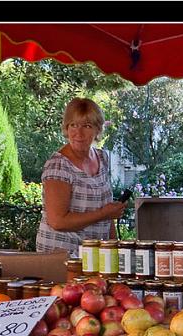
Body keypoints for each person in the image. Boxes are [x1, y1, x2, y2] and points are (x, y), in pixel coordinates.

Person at [36, 97, 126, 256]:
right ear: (66, 128)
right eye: (73, 125)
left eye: (87, 126)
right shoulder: (58, 165)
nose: (78, 132)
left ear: (98, 130)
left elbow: (108, 213)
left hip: (95, 255)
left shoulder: (102, 158)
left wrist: (115, 250)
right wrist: (104, 213)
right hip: (62, 257)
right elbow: (57, 221)